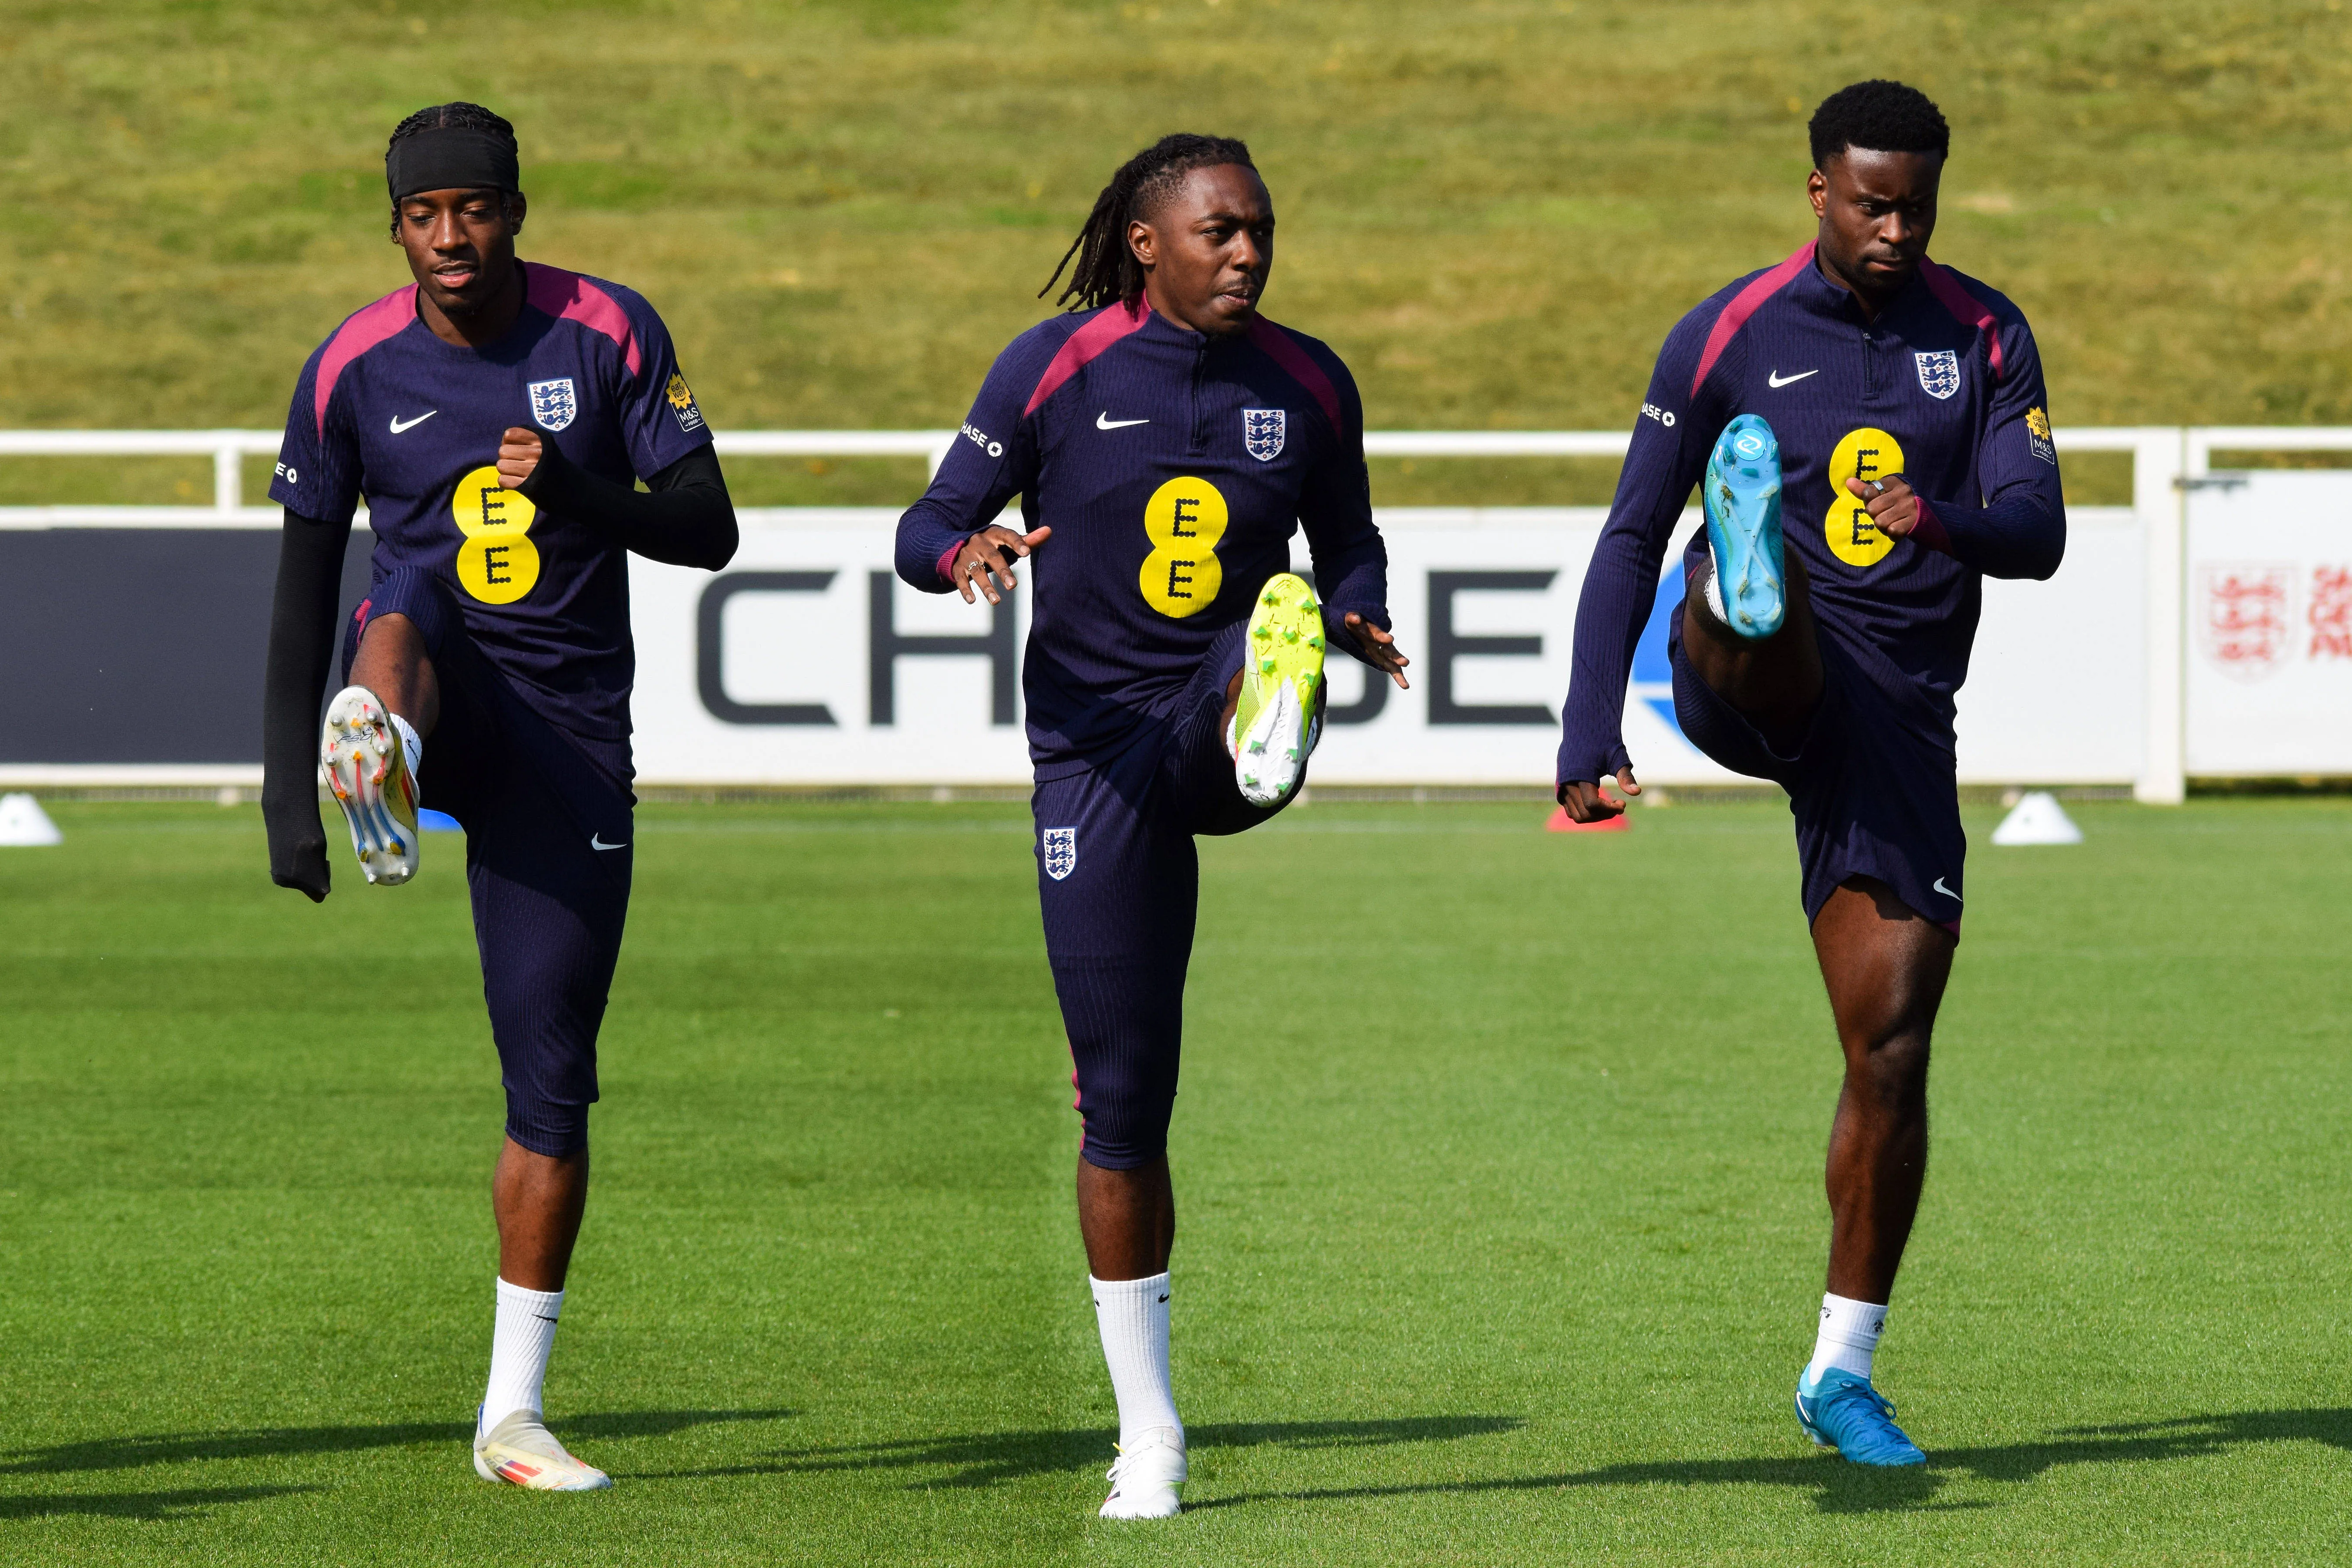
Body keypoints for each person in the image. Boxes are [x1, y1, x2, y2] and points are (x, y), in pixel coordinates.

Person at [895, 133, 1409, 1518]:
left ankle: (1271, 700)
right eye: (1220, 231)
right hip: (1088, 752)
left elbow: (1349, 535)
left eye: (1262, 230)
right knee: (1122, 1097)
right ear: (1146, 240)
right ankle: (1151, 1432)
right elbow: (925, 521)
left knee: (1271, 632)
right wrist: (971, 550)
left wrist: (1349, 605)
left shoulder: (1309, 381)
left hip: (1203, 713)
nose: (1248, 252)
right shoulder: (1053, 367)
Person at [1555, 80, 2064, 1466]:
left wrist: (1940, 518)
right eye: (1871, 203)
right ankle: (1747, 581)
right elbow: (1622, 537)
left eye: (1919, 206)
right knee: (1753, 617)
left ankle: (1841, 1371)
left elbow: (2040, 533)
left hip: (1900, 716)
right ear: (1818, 194)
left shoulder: (1987, 331)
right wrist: (1588, 726)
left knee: (1891, 1049)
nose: (1897, 229)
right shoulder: (1726, 331)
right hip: (1750, 681)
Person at [258, 101, 739, 1490]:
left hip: (568, 736)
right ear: (397, 226)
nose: (450, 237)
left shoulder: (610, 329)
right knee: (400, 604)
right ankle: (377, 770)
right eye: (424, 215)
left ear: (515, 212)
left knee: (552, 1080)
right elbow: (302, 597)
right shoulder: (354, 362)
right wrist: (290, 804)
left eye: (474, 210)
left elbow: (707, 528)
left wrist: (584, 488)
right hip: (435, 683)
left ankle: (510, 1418)